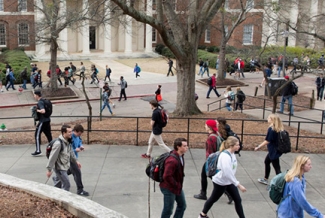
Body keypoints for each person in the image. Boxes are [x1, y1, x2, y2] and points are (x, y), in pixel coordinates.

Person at [198, 136, 246, 218]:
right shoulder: (225, 156)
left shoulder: (232, 154)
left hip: (228, 181)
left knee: (238, 200)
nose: (239, 146)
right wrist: (238, 184)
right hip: (220, 182)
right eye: (237, 145)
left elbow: (230, 172)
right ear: (231, 146)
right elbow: (227, 173)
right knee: (213, 198)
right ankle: (202, 215)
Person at [193, 120, 232, 203]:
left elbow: (211, 152)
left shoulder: (211, 138)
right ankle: (203, 193)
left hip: (211, 160)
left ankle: (227, 193)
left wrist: (209, 162)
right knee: (207, 175)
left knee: (212, 176)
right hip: (216, 159)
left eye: (206, 125)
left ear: (209, 127)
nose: (205, 126)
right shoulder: (217, 134)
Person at [46, 124, 80, 191]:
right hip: (60, 168)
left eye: (71, 131)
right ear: (64, 132)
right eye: (69, 132)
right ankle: (63, 200)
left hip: (65, 166)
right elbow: (52, 157)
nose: (71, 133)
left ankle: (55, 196)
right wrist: (49, 170)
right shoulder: (58, 144)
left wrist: (76, 161)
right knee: (66, 185)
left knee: (58, 185)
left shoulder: (68, 141)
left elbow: (71, 152)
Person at [160, 138, 188, 218]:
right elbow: (166, 176)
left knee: (182, 205)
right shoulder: (172, 160)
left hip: (176, 186)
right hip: (169, 188)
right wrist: (176, 184)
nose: (187, 147)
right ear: (178, 147)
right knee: (168, 210)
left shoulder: (180, 156)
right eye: (184, 146)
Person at [254, 113, 283, 185]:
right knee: (267, 162)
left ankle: (281, 182)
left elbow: (267, 140)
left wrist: (259, 146)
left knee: (276, 167)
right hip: (275, 150)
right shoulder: (278, 128)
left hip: (273, 151)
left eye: (268, 118)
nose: (267, 119)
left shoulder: (271, 129)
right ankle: (266, 178)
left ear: (272, 120)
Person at [32, 90, 53, 156]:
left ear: (37, 95)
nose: (34, 96)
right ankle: (53, 148)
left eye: (34, 95)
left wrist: (36, 110)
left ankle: (38, 150)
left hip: (42, 121)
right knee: (49, 135)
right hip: (48, 120)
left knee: (37, 135)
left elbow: (43, 111)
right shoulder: (45, 100)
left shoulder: (40, 102)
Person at [70, 124, 89, 196]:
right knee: (77, 172)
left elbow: (80, 140)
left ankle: (57, 178)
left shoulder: (78, 136)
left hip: (75, 156)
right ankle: (80, 189)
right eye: (78, 134)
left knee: (70, 170)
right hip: (71, 157)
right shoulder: (70, 137)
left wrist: (81, 146)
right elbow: (68, 148)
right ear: (75, 131)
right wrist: (75, 150)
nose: (79, 135)